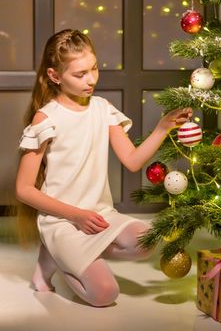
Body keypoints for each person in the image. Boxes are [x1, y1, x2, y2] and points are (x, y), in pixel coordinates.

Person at [15, 29, 192, 307]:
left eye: (94, 68)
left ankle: (61, 256)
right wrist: (77, 216)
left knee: (146, 242)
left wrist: (163, 127)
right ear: (55, 76)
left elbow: (132, 161)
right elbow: (24, 189)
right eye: (80, 74)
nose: (91, 79)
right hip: (62, 220)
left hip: (98, 214)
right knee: (105, 294)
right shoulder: (47, 118)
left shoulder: (103, 108)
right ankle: (59, 256)